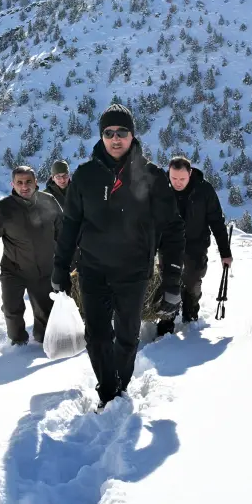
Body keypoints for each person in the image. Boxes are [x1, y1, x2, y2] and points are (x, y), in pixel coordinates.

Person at [53, 104, 185, 409]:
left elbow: (173, 230)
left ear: (132, 135)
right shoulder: (85, 176)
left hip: (134, 273)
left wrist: (173, 280)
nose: (115, 138)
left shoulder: (151, 176)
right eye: (109, 132)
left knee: (126, 338)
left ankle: (120, 384)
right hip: (93, 271)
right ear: (101, 136)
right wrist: (60, 267)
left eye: (121, 132)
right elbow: (71, 225)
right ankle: (108, 389)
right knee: (96, 337)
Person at [0, 166, 62, 346]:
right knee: (12, 310)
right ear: (13, 184)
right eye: (19, 183)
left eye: (28, 182)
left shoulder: (48, 202)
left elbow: (65, 235)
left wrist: (72, 262)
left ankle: (43, 341)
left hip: (44, 270)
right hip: (13, 270)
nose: (24, 186)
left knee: (45, 313)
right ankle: (18, 345)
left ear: (36, 182)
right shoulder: (3, 209)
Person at [158, 156, 232, 334]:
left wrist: (225, 253)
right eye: (173, 178)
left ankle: (190, 313)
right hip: (168, 245)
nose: (177, 182)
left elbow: (216, 222)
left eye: (182, 179)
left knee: (192, 281)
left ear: (190, 173)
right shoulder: (161, 189)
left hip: (196, 245)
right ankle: (167, 320)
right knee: (168, 281)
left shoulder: (204, 190)